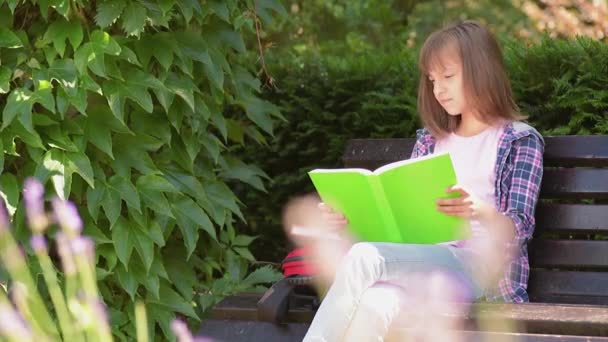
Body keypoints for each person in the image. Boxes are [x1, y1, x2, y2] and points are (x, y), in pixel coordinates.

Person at [300, 20, 545, 342]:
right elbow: (403, 220)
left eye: (448, 77)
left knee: (364, 257)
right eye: (432, 80)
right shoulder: (431, 142)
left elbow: (521, 227)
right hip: (421, 263)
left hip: (479, 270)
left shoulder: (519, 141)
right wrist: (347, 219)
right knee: (375, 303)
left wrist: (478, 210)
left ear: (481, 70)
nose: (438, 89)